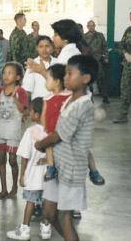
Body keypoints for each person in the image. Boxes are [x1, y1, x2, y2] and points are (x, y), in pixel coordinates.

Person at [35, 55, 99, 241]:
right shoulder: (69, 99)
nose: (65, 77)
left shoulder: (82, 105)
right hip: (60, 166)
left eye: (70, 74)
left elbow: (59, 135)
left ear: (85, 78)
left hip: (72, 169)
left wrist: (40, 144)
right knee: (49, 212)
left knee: (65, 217)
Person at [6, 97, 48, 241]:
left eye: (30, 111)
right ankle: (46, 228)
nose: (29, 113)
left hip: (33, 176)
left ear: (37, 114)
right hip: (49, 178)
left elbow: (24, 156)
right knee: (46, 204)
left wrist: (22, 175)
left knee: (30, 203)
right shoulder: (53, 132)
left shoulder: (30, 132)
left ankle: (25, 229)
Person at [0, 62, 28, 200]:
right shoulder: (0, 90)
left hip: (13, 131)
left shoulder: (21, 91)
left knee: (12, 160)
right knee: (1, 159)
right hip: (1, 130)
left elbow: (24, 110)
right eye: (5, 72)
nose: (6, 75)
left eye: (10, 73)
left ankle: (14, 187)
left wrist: (15, 98)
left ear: (18, 77)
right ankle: (3, 189)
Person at [22, 35, 56, 101]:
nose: (44, 50)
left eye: (47, 46)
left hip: (55, 102)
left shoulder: (58, 62)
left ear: (52, 47)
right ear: (37, 48)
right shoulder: (33, 64)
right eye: (41, 47)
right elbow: (27, 90)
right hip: (38, 104)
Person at [84, 20, 110, 104]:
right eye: (90, 26)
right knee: (89, 80)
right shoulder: (84, 37)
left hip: (98, 60)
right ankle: (90, 98)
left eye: (93, 25)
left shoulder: (100, 35)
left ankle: (105, 96)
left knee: (101, 79)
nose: (91, 27)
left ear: (95, 26)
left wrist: (106, 57)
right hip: (89, 61)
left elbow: (105, 47)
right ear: (87, 26)